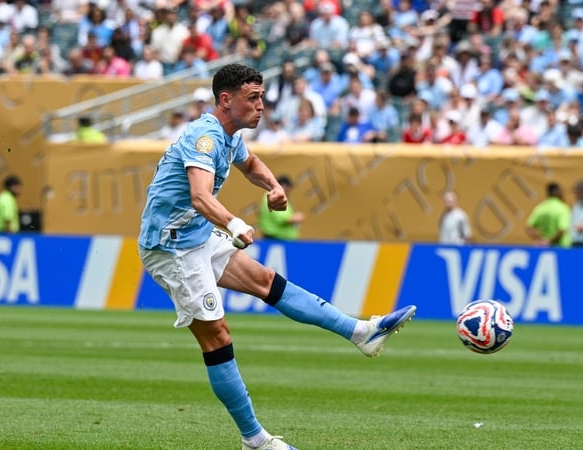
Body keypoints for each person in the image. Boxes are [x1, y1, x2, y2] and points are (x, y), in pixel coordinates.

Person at [137, 64, 417, 450]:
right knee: (217, 336)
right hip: (171, 248)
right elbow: (201, 197)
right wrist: (235, 224)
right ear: (225, 100)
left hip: (197, 236)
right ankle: (255, 440)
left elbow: (249, 164)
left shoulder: (229, 135)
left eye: (262, 97)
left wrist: (272, 186)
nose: (262, 106)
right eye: (253, 98)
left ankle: (360, 332)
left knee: (267, 282)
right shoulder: (204, 137)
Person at [257, 175, 304, 241]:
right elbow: (281, 219)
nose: (290, 190)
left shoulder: (273, 196)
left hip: (278, 240)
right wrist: (296, 217)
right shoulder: (275, 196)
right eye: (289, 187)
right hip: (276, 240)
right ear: (283, 186)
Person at [526, 182, 572, 248]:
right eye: (561, 191)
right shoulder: (563, 208)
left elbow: (529, 228)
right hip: (562, 248)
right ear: (557, 193)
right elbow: (562, 230)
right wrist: (549, 241)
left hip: (545, 249)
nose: (563, 194)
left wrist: (540, 239)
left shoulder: (540, 207)